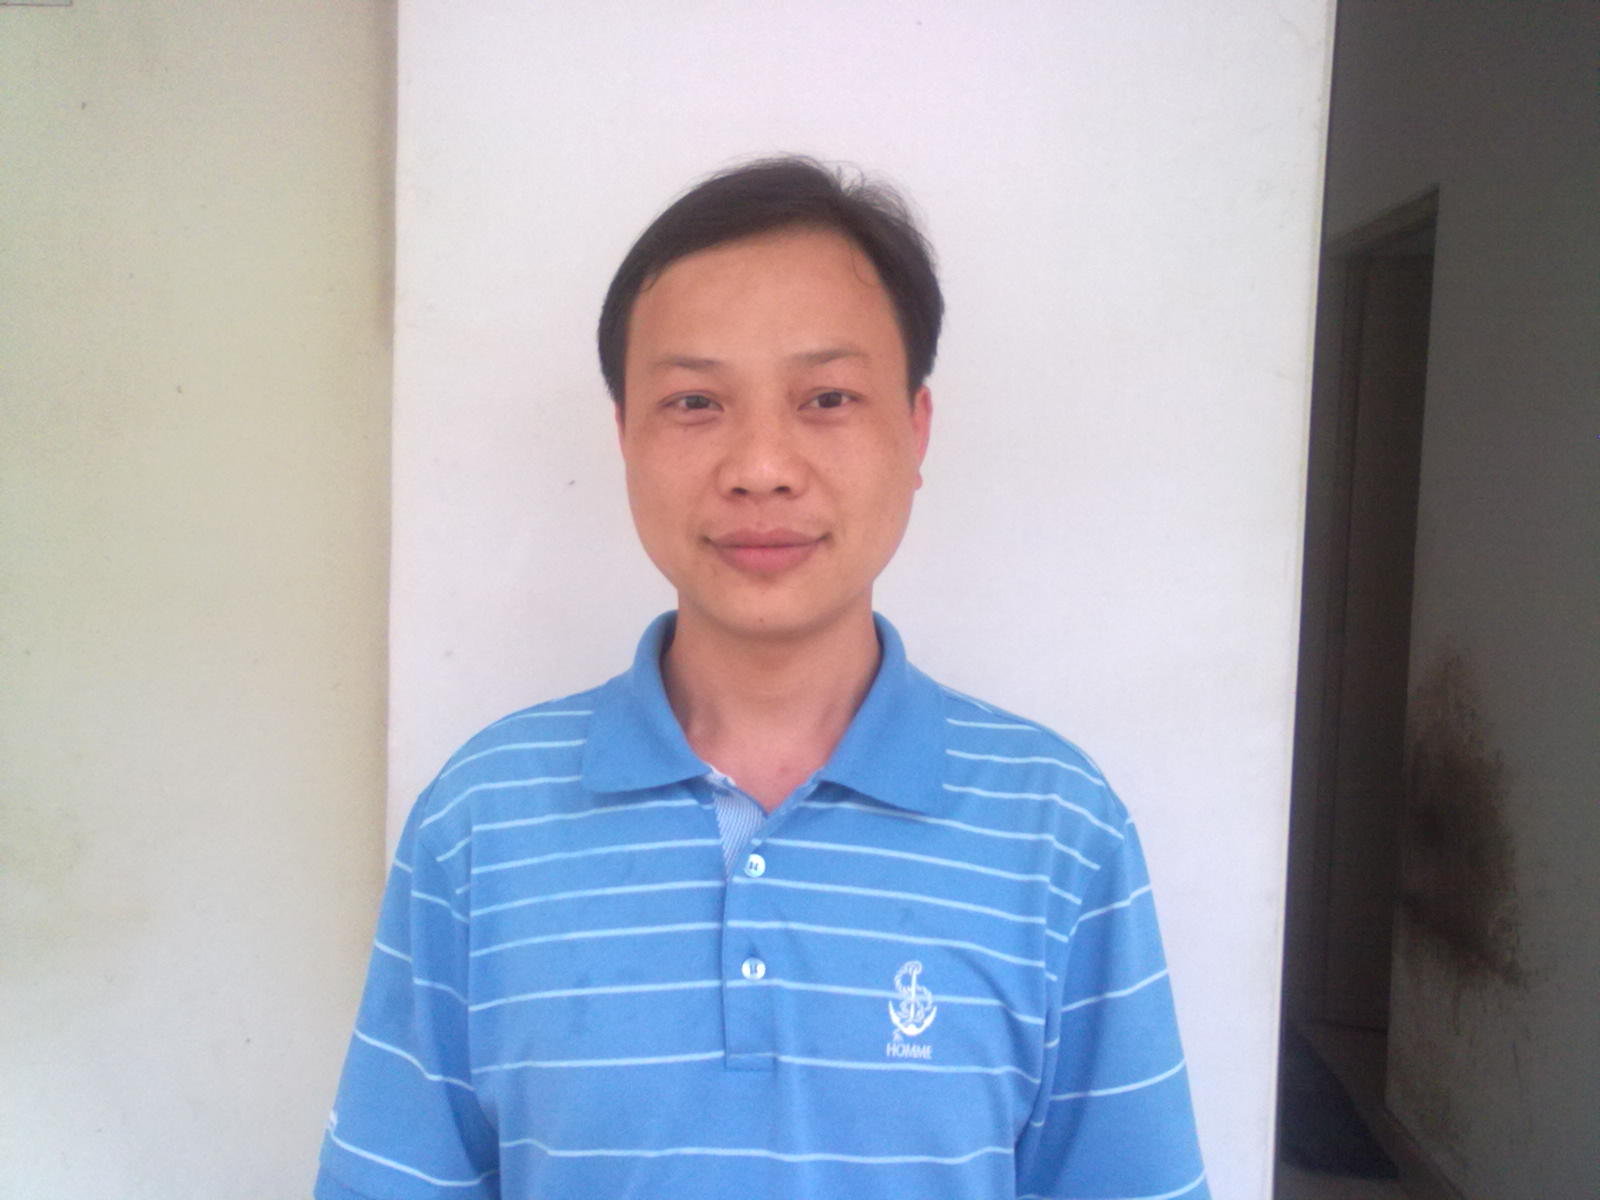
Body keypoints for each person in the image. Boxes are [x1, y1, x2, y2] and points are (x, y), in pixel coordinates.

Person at [315, 157, 1208, 1200]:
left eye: (827, 397)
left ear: (914, 429)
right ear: (625, 437)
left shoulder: (1056, 830)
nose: (761, 467)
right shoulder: (482, 820)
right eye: (695, 402)